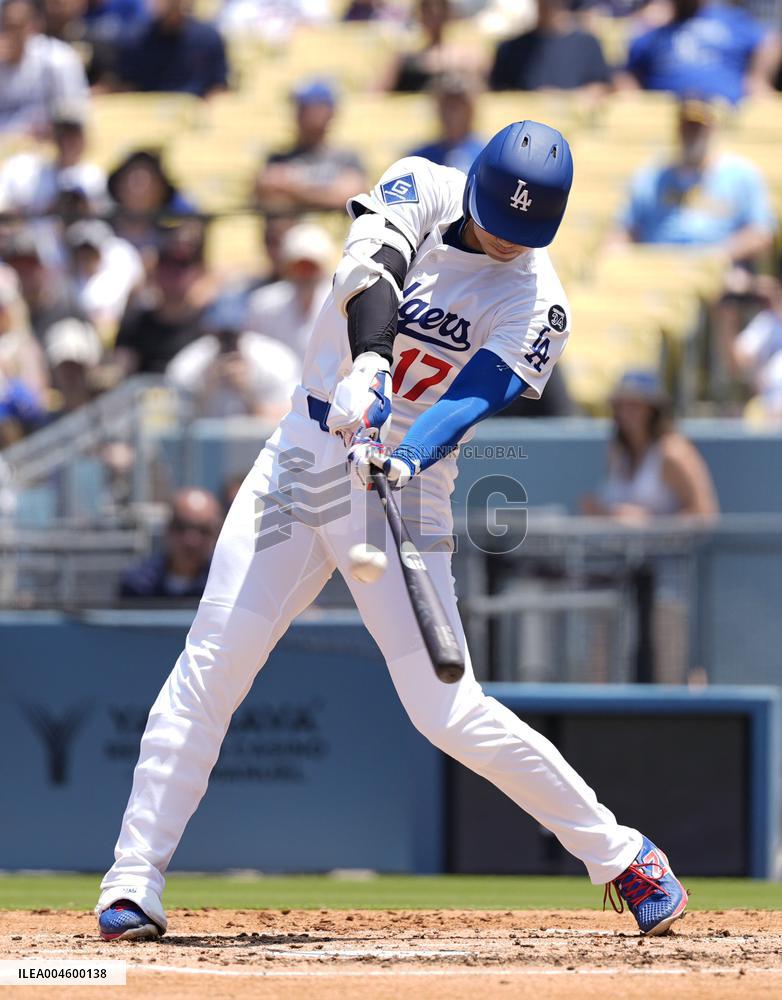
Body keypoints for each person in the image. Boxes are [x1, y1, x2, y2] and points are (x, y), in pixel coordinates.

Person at [96, 122, 688, 944]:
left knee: (445, 709)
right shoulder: (424, 183)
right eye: (492, 222)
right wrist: (369, 365)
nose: (499, 242)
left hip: (405, 490)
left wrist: (406, 457)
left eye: (520, 236)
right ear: (474, 185)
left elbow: (474, 396)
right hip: (303, 456)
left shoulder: (538, 299)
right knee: (215, 661)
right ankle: (133, 881)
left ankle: (626, 857)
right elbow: (369, 270)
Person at [615, 98, 775, 262]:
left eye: (698, 128)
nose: (692, 135)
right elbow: (625, 230)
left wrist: (717, 258)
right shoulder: (651, 176)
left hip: (717, 271)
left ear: (713, 129)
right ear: (677, 130)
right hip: (657, 269)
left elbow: (760, 233)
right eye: (687, 128)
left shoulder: (741, 175)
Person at [581, 371, 718, 520]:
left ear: (653, 410)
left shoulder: (672, 452)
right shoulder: (617, 452)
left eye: (634, 405)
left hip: (668, 544)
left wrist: (651, 522)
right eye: (620, 405)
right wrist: (601, 513)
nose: (625, 413)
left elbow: (705, 514)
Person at [618, 0, 781, 104]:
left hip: (726, 110)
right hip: (670, 116)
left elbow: (769, 41)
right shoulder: (657, 27)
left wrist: (758, 78)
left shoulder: (728, 18)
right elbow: (627, 71)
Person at [165, 296, 299, 418]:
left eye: (234, 333)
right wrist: (207, 386)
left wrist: (247, 392)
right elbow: (174, 425)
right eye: (222, 333)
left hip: (259, 443)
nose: (228, 341)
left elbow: (289, 420)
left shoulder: (275, 359)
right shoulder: (189, 364)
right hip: (207, 444)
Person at [112, 222, 212, 375]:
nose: (172, 274)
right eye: (165, 265)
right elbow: (120, 371)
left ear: (197, 272)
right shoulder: (135, 323)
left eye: (181, 266)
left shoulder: (208, 325)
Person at [255, 80, 366, 214]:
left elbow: (348, 199)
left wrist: (292, 190)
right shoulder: (278, 157)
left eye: (308, 107)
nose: (300, 114)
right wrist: (322, 194)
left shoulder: (347, 158)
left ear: (329, 112)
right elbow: (265, 192)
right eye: (299, 107)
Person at [245, 221, 334, 364]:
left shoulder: (341, 303)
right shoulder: (263, 304)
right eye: (299, 266)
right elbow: (253, 353)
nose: (305, 274)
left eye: (311, 266)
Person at [0, 105, 107, 217]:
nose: (67, 142)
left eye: (73, 135)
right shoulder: (25, 170)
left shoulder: (93, 176)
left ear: (83, 139)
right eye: (62, 135)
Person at [0, 0, 89, 134]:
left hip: (45, 148)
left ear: (35, 26)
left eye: (16, 26)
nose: (10, 34)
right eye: (5, 27)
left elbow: (74, 120)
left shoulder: (58, 59)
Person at [488, 0, 611, 95]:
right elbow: (498, 91)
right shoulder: (510, 49)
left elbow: (600, 87)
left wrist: (563, 98)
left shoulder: (588, 44)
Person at [118, 488, 223, 599]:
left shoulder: (225, 587)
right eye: (181, 527)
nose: (191, 540)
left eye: (203, 530)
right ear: (167, 528)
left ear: (217, 533)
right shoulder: (137, 585)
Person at [116, 0, 228, 97]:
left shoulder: (208, 37)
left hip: (194, 114)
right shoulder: (134, 39)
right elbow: (127, 87)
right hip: (148, 115)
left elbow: (218, 87)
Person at [382, 0, 484, 92]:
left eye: (440, 7)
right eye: (426, 9)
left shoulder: (469, 58)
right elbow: (378, 96)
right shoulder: (404, 60)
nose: (434, 13)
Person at [407, 72, 484, 175]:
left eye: (459, 105)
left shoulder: (485, 155)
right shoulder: (418, 159)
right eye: (447, 104)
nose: (453, 112)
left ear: (471, 109)